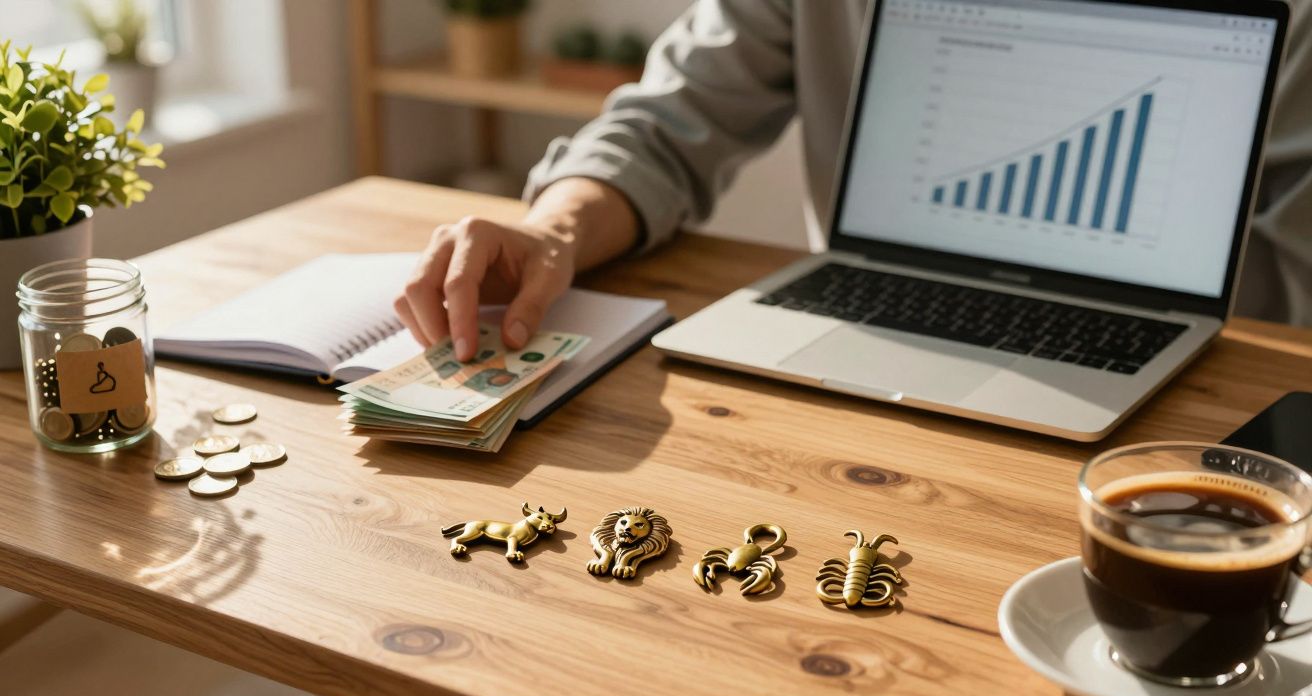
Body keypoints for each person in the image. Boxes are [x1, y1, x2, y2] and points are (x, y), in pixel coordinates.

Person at [395, 1, 1312, 361]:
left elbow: (1293, 284)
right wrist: (556, 230)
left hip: (1185, 388)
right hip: (875, 332)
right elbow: (668, 126)